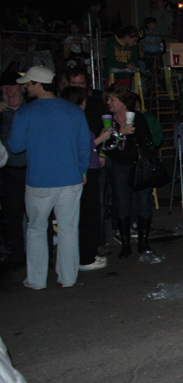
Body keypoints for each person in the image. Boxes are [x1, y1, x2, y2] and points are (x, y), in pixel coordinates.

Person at [7, 66, 90, 289]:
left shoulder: (25, 112)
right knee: (68, 229)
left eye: (27, 83)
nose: (24, 87)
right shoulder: (73, 111)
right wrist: (82, 171)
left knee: (36, 229)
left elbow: (15, 147)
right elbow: (85, 146)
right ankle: (68, 278)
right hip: (71, 179)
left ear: (38, 84)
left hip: (39, 181)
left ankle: (36, 280)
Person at [60, 86, 112, 271]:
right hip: (84, 172)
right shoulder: (74, 119)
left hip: (84, 169)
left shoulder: (69, 118)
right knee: (88, 216)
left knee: (82, 216)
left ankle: (82, 256)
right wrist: (101, 139)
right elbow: (79, 146)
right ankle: (85, 258)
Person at [102, 83, 156, 259]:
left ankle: (143, 242)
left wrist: (129, 131)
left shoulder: (137, 117)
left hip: (139, 166)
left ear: (123, 102)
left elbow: (148, 142)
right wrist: (119, 132)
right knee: (122, 204)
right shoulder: (108, 120)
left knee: (143, 204)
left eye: (113, 99)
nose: (109, 102)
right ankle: (125, 244)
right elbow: (107, 147)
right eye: (108, 99)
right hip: (119, 167)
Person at [0, 69, 28, 270]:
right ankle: (18, 256)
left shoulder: (31, 110)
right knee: (13, 217)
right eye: (5, 91)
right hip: (9, 172)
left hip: (32, 170)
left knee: (38, 217)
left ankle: (42, 257)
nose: (10, 93)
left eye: (13, 89)